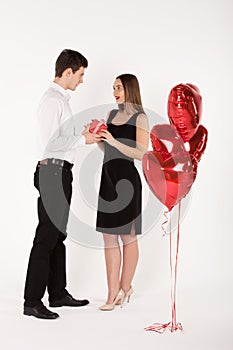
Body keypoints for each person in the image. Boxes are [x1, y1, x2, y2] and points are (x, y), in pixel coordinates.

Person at [24, 49, 100, 319]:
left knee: (58, 236)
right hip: (52, 173)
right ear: (68, 71)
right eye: (80, 75)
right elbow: (50, 144)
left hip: (60, 172)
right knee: (46, 236)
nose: (81, 81)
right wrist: (84, 140)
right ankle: (32, 301)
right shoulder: (52, 100)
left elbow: (61, 137)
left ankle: (57, 293)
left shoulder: (60, 101)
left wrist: (83, 134)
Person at [96, 74, 149, 310]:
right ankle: (111, 294)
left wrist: (114, 142)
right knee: (108, 237)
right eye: (113, 87)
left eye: (119, 87)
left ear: (129, 88)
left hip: (127, 181)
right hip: (107, 178)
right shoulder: (110, 115)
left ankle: (126, 288)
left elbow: (141, 153)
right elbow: (105, 148)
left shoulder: (140, 117)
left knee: (128, 236)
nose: (115, 91)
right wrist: (100, 137)